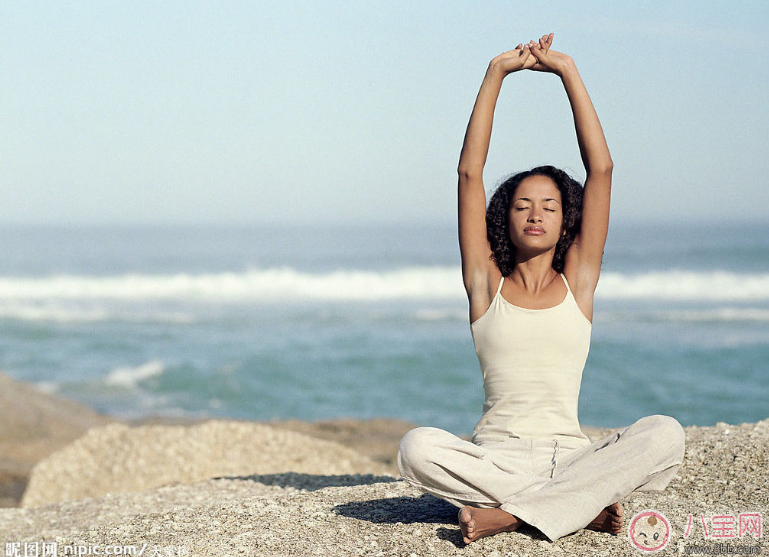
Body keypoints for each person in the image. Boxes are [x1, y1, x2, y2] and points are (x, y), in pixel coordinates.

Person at [396, 34, 686, 544]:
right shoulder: (485, 284)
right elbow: (469, 173)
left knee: (667, 434)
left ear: (565, 219)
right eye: (523, 205)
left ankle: (507, 516)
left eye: (549, 206)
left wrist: (568, 71)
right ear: (504, 219)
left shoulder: (579, 281)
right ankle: (576, 506)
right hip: (494, 456)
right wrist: (496, 73)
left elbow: (602, 170)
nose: (535, 214)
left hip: (570, 453)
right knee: (415, 447)